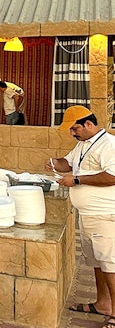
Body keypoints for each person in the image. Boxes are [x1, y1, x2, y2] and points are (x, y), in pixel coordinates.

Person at [50, 106, 115, 321]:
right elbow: (68, 164)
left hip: (106, 214)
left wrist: (77, 180)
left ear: (89, 124)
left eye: (75, 128)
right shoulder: (83, 145)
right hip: (88, 215)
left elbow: (112, 176)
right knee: (97, 262)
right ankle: (103, 304)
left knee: (111, 264)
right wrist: (54, 163)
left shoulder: (108, 144)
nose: (72, 133)